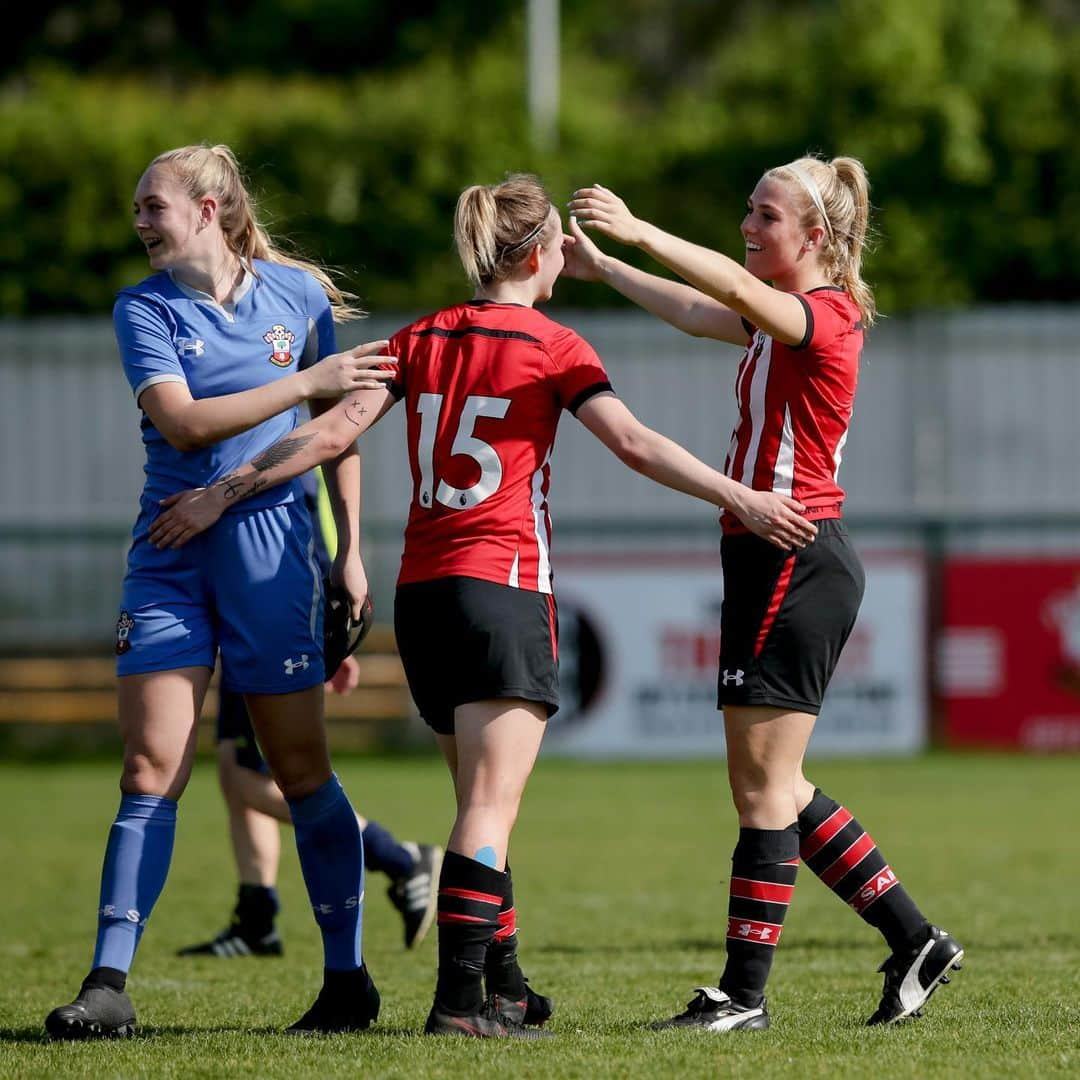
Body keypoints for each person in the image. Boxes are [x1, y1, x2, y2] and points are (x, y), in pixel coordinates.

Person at [147, 173, 818, 1039]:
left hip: (423, 599)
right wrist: (746, 498)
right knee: (489, 811)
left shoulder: (420, 338)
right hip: (502, 587)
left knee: (478, 803)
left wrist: (220, 492)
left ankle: (505, 985)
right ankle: (461, 1004)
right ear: (539, 255)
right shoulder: (554, 344)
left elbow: (325, 433)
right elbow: (636, 444)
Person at [562, 158, 964, 1030]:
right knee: (778, 784)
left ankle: (742, 997)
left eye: (766, 213)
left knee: (760, 789)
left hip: (793, 553)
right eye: (748, 207)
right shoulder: (775, 319)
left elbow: (734, 287)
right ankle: (915, 939)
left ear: (814, 236)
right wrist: (604, 269)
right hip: (770, 552)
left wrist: (637, 230)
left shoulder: (822, 313)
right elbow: (703, 309)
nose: (749, 222)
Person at [45, 143, 398, 1041]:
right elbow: (186, 423)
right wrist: (309, 378)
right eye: (138, 208)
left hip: (275, 553)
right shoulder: (143, 309)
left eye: (152, 206)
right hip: (168, 555)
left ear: (207, 209)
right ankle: (109, 982)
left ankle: (347, 981)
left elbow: (338, 432)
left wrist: (351, 551)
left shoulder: (298, 298)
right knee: (147, 768)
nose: (140, 223)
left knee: (299, 771)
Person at [177, 473, 442, 960]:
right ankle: (256, 920)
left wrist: (323, 627)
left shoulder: (280, 440)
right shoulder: (263, 434)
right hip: (251, 615)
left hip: (270, 619)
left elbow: (305, 536)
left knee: (254, 779)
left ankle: (399, 859)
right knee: (237, 770)